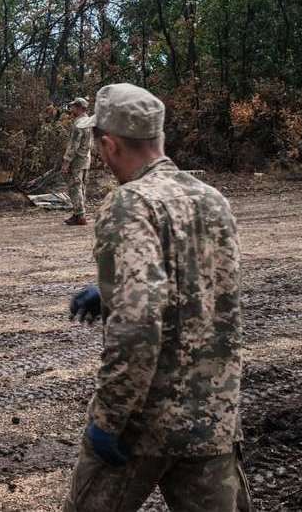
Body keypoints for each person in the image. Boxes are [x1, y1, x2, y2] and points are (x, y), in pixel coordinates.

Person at [63, 83, 252, 512]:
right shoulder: (213, 200)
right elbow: (207, 295)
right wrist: (112, 295)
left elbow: (140, 321)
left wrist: (110, 418)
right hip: (212, 416)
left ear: (108, 145)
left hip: (145, 422)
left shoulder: (129, 203)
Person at [61, 97, 95, 225]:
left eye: (74, 107)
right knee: (81, 187)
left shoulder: (79, 123)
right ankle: (78, 214)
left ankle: (80, 216)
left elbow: (73, 145)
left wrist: (66, 161)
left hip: (78, 159)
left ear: (80, 108)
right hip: (86, 158)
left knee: (75, 187)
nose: (72, 109)